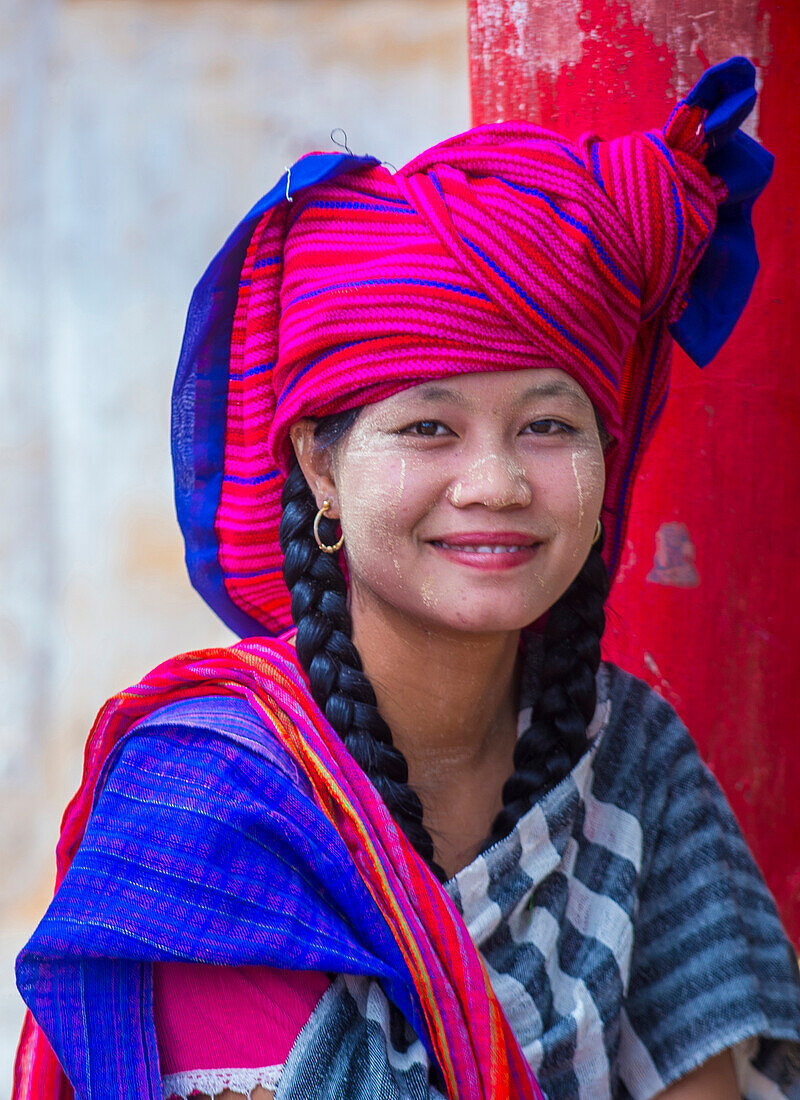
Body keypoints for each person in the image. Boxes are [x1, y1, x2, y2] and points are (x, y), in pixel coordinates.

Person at [14, 56, 800, 1100]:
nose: (496, 481)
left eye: (548, 425)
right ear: (318, 465)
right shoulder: (212, 810)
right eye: (428, 426)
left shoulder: (632, 764)